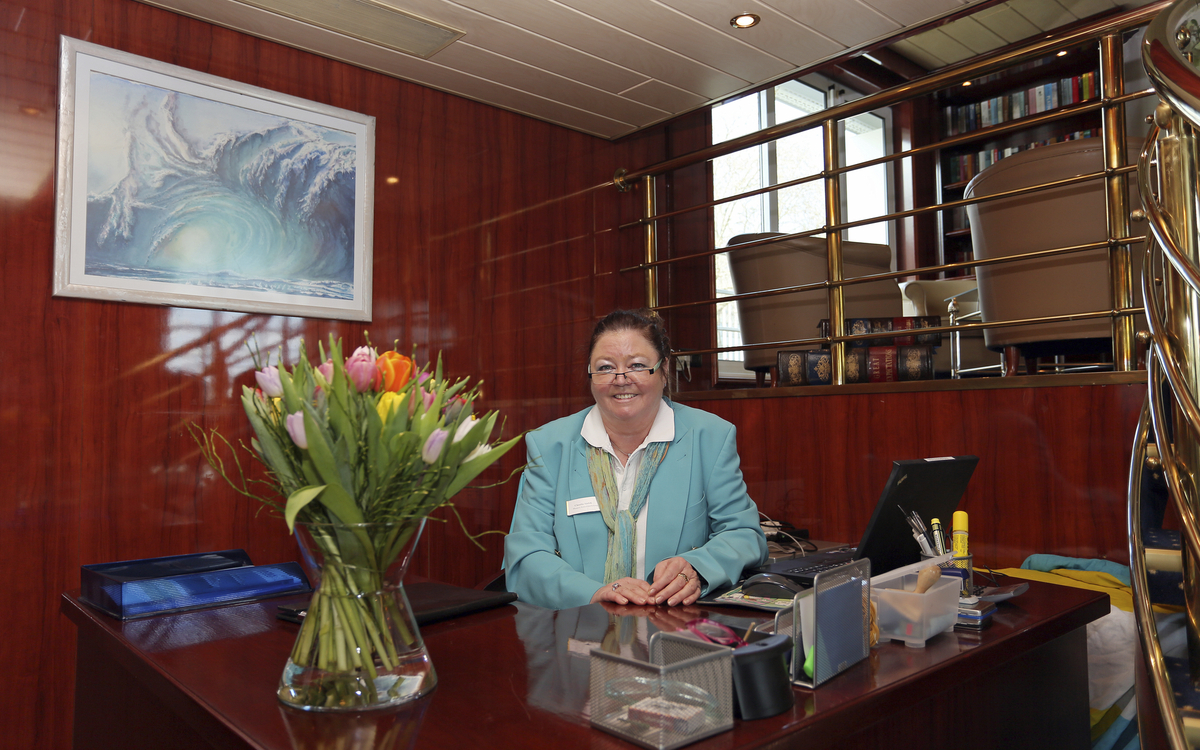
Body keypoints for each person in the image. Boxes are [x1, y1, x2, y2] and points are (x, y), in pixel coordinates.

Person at [503, 308, 767, 609]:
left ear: (664, 370)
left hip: (675, 631)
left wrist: (697, 567)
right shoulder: (549, 446)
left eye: (637, 365)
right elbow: (525, 556)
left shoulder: (710, 438)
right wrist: (593, 593)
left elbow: (745, 535)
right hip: (576, 630)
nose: (621, 379)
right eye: (605, 368)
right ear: (590, 376)